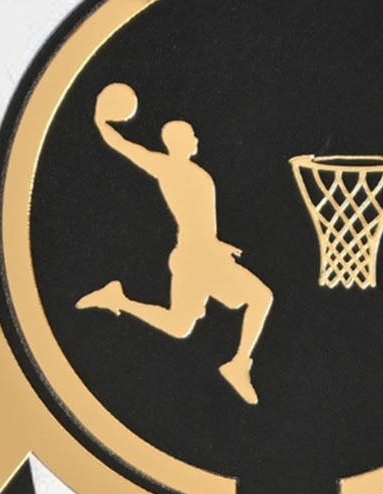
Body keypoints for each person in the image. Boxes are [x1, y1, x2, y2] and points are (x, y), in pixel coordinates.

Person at [77, 85, 272, 406]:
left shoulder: (194, 173)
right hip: (197, 257)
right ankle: (238, 365)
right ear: (178, 142)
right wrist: (101, 123)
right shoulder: (169, 168)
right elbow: (127, 148)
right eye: (191, 136)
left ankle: (118, 299)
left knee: (180, 326)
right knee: (260, 297)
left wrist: (218, 245)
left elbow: (198, 221)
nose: (197, 140)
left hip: (200, 254)